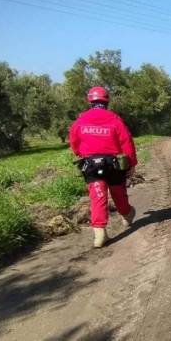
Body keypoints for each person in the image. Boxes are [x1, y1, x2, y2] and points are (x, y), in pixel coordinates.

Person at [69, 86, 138, 248]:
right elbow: (126, 142)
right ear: (106, 100)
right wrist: (131, 163)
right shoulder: (114, 119)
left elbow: (74, 141)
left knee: (98, 197)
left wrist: (80, 152)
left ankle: (99, 234)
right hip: (113, 165)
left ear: (90, 101)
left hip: (91, 165)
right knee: (118, 193)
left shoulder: (81, 120)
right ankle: (127, 215)